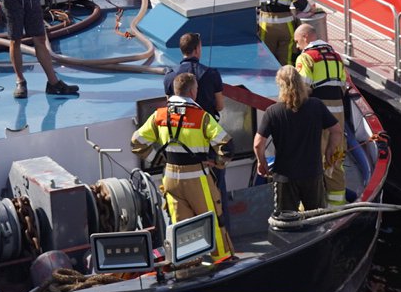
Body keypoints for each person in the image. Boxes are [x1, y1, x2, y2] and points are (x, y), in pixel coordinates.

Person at [131, 72, 233, 260]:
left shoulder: (159, 116)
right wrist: (218, 163)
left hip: (170, 179)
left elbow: (136, 143)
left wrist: (157, 160)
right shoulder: (201, 117)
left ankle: (188, 263)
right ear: (193, 92)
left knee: (181, 227)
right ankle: (222, 260)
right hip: (197, 178)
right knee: (212, 220)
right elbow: (227, 146)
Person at [254, 66, 340, 214]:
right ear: (300, 83)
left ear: (280, 86)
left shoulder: (272, 112)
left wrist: (262, 163)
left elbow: (258, 144)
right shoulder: (316, 105)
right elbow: (336, 131)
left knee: (287, 222)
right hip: (313, 173)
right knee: (316, 219)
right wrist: (329, 152)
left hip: (285, 176)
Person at [163, 30, 228, 199]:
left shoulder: (170, 77)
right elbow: (220, 106)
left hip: (180, 143)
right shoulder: (211, 74)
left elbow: (170, 107)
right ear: (197, 49)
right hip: (207, 142)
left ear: (181, 50)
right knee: (216, 194)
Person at [294, 23, 353, 206]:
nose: (297, 46)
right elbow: (343, 87)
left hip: (317, 115)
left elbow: (302, 90)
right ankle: (337, 209)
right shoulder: (336, 57)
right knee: (334, 162)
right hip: (338, 115)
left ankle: (310, 209)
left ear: (305, 37)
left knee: (311, 161)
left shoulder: (305, 59)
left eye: (297, 42)